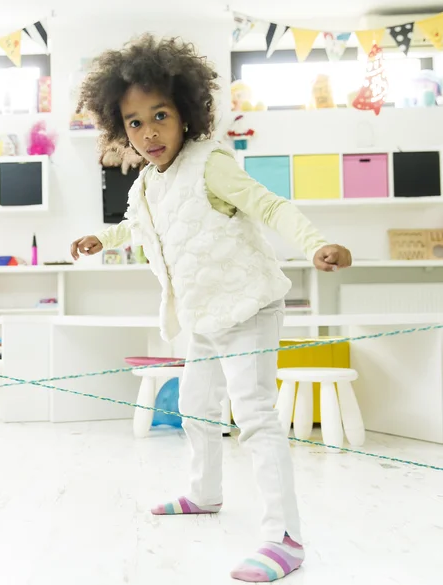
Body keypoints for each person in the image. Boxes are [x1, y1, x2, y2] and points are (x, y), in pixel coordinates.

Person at [70, 35, 352, 583]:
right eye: (134, 123)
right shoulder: (148, 184)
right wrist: (103, 240)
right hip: (200, 312)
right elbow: (140, 228)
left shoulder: (210, 163)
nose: (148, 132)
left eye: (160, 115)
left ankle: (285, 536)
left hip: (246, 305)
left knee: (254, 415)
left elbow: (268, 204)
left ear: (186, 113)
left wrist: (315, 243)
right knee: (197, 406)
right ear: (118, 128)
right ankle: (205, 493)